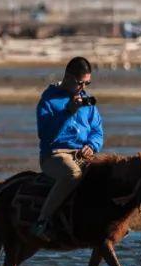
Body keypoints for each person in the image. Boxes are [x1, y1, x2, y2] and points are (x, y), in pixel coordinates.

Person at [31, 56, 104, 240]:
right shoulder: (48, 100)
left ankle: (104, 222)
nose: (84, 88)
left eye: (87, 83)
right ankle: (42, 222)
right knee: (73, 174)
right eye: (81, 83)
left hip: (82, 154)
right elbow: (46, 135)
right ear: (68, 77)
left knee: (108, 172)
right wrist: (67, 113)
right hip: (55, 155)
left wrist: (91, 146)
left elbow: (97, 131)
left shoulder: (87, 103)